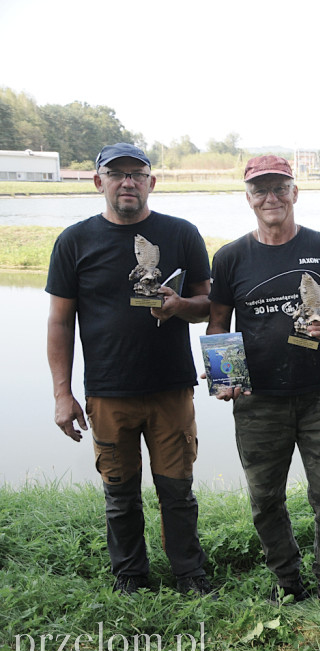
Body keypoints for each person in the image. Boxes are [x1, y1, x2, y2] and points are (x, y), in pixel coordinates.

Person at [46, 142, 214, 596]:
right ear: (98, 181)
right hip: (107, 391)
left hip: (170, 389)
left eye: (137, 174)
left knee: (177, 491)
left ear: (151, 182)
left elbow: (208, 305)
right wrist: (63, 394)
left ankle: (189, 574)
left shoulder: (181, 233)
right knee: (120, 495)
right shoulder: (73, 241)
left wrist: (179, 305)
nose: (127, 182)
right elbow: (60, 322)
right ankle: (131, 577)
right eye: (116, 174)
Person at [206, 155, 320, 608]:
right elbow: (217, 327)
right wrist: (221, 376)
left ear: (295, 192)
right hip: (257, 399)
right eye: (260, 189)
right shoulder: (230, 257)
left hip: (319, 396)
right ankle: (287, 579)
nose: (270, 197)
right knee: (265, 498)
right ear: (248, 198)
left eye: (279, 188)